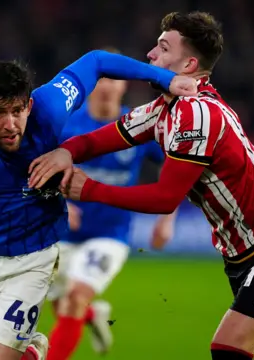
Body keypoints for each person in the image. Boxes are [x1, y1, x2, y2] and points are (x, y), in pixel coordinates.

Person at [29, 12, 254, 360]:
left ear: (189, 64)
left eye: (163, 47)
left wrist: (88, 189)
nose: (151, 55)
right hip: (242, 256)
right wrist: (67, 152)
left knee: (228, 348)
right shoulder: (164, 109)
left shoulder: (197, 114)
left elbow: (165, 198)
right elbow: (101, 140)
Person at [0, 50, 197, 360]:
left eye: (18, 111)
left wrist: (166, 79)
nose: (11, 124)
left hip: (30, 261)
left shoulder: (51, 106)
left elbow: (96, 61)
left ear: (30, 105)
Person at [45, 47, 177, 360]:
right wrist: (56, 199)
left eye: (114, 79)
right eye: (102, 79)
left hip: (110, 235)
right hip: (60, 232)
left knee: (75, 298)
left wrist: (167, 218)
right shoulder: (66, 126)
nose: (107, 86)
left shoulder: (139, 126)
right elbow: (38, 170)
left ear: (123, 85)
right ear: (92, 85)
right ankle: (94, 316)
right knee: (63, 306)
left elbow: (176, 163)